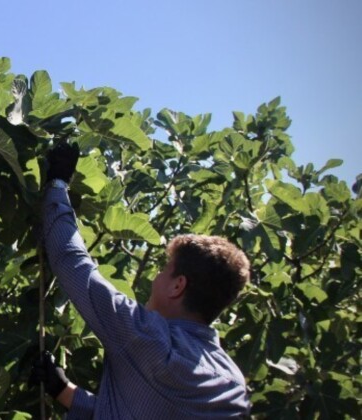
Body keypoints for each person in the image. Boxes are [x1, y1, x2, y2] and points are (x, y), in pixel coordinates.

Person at [31, 142, 251, 419]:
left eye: (164, 269)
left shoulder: (147, 337)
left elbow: (71, 261)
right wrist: (63, 389)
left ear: (177, 286)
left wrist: (58, 184)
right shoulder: (233, 382)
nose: (156, 277)